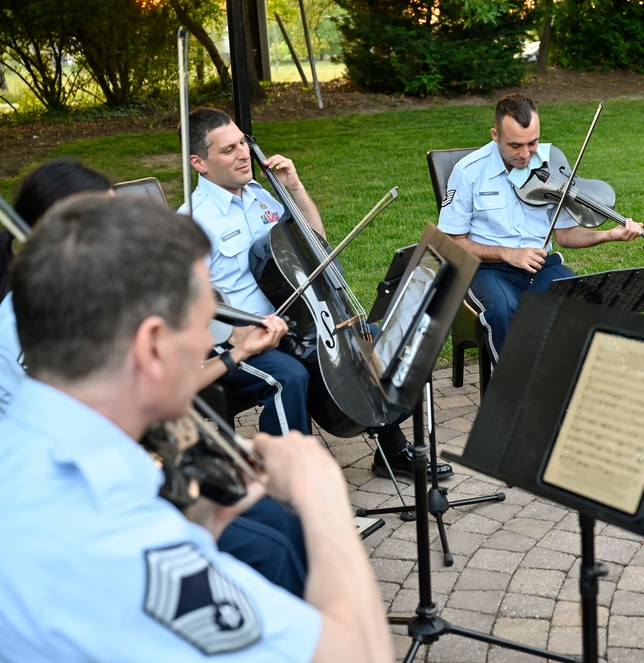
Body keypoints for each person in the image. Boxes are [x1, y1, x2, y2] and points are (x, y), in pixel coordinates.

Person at [0, 194, 393, 661]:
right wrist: (322, 497)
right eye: (205, 319)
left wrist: (201, 530)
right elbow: (357, 655)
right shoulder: (128, 547)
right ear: (153, 346)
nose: (209, 341)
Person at [0, 158, 310, 597]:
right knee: (270, 549)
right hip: (87, 497)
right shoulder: (22, 328)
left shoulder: (103, 300)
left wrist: (235, 351)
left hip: (142, 465)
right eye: (104, 227)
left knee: (279, 518)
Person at [181, 107, 451, 480]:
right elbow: (185, 301)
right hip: (240, 336)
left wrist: (294, 188)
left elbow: (315, 246)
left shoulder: (261, 195)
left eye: (243, 142)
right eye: (228, 150)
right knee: (290, 377)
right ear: (200, 163)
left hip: (296, 319)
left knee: (380, 342)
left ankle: (393, 449)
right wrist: (234, 333)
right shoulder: (194, 219)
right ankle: (291, 482)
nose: (244, 153)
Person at [437, 93, 644, 363]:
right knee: (504, 310)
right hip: (487, 270)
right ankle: (518, 394)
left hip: (540, 265)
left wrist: (608, 235)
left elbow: (566, 235)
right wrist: (507, 253)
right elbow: (452, 242)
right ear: (495, 135)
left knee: (580, 298)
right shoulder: (468, 171)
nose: (525, 155)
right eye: (515, 145)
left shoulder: (550, 163)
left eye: (532, 142)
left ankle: (570, 385)